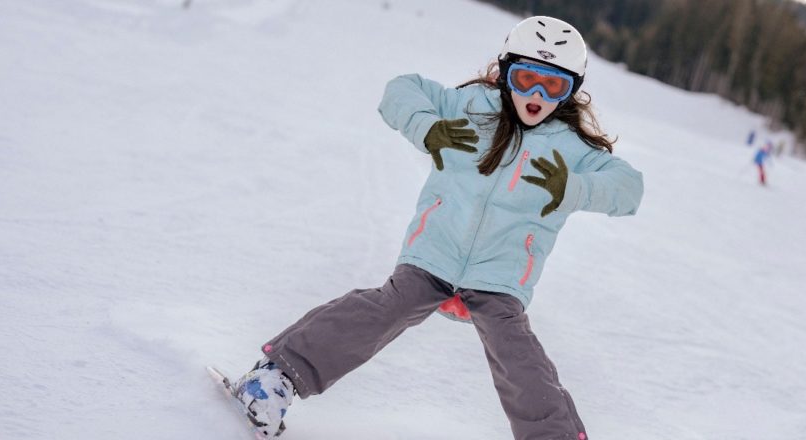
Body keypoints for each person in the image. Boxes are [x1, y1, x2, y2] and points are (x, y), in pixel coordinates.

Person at [226, 16, 644, 440]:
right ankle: (274, 379)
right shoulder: (471, 106)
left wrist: (574, 187)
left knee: (519, 358)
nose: (535, 95)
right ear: (504, 72)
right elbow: (400, 90)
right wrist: (427, 128)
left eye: (553, 86)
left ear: (571, 90)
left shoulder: (571, 147)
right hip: (434, 255)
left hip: (500, 278)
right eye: (525, 78)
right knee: (382, 310)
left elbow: (629, 188)